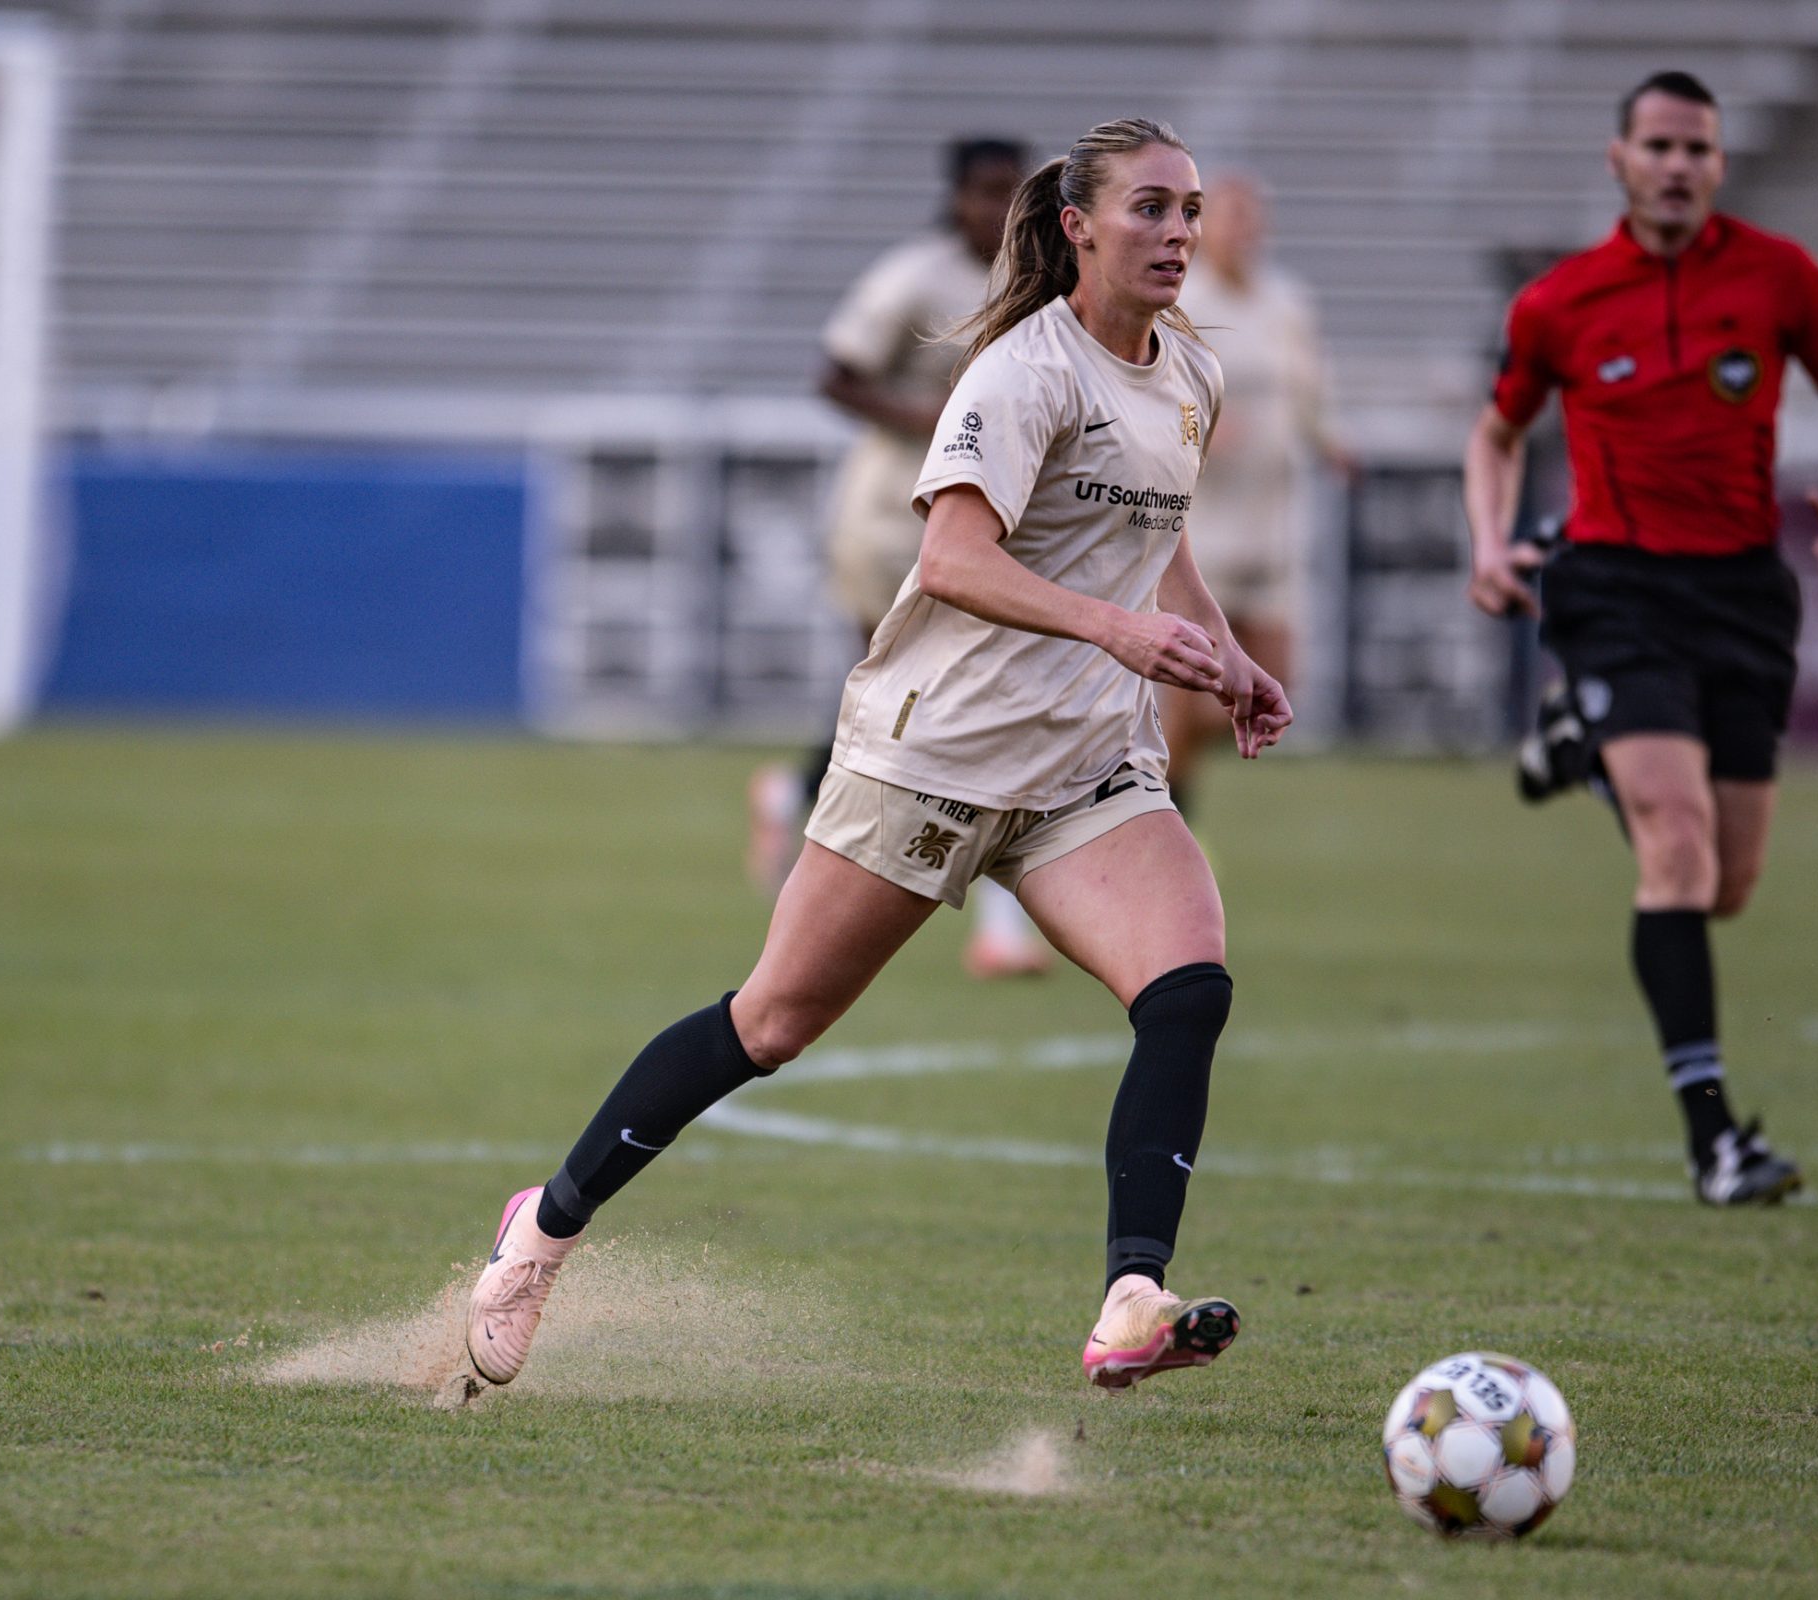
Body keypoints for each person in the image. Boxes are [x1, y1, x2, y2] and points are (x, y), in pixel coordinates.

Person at [464, 118, 1291, 1394]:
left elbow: (1161, 538)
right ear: (1078, 226)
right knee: (772, 1022)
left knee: (1187, 988)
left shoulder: (1190, 372)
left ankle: (1131, 1295)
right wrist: (1125, 630)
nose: (1178, 233)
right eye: (1149, 210)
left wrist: (1221, 651)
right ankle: (546, 1227)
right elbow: (953, 561)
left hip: (1085, 768)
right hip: (936, 754)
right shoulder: (1022, 372)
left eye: (1188, 210)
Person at [1461, 70, 1818, 1205]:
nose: (1675, 164)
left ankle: (1574, 745)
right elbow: (1495, 435)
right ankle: (1715, 1142)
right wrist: (1487, 540)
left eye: (1695, 147)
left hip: (1744, 595)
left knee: (1726, 884)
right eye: (1655, 144)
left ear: (1717, 163)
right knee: (1675, 846)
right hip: (1612, 588)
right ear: (1618, 159)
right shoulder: (1559, 300)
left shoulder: (1778, 276)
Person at [749, 136, 1051, 978]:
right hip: (889, 517)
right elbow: (834, 376)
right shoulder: (913, 278)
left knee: (956, 697)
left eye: (1012, 190)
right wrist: (930, 422)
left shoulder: (1041, 280)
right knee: (914, 697)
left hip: (985, 523)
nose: (998, 208)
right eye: (985, 191)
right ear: (955, 198)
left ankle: (797, 798)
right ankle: (987, 918)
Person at [1161, 172, 1350, 810]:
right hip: (1203, 528)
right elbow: (1155, 398)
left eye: (1252, 218)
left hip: (1272, 524)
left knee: (1274, 682)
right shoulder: (1183, 303)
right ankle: (1171, 816)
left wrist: (1330, 443)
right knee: (1188, 682)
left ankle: (1162, 778)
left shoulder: (1287, 303)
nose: (1243, 232)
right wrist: (1200, 434)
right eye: (1228, 218)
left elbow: (1308, 396)